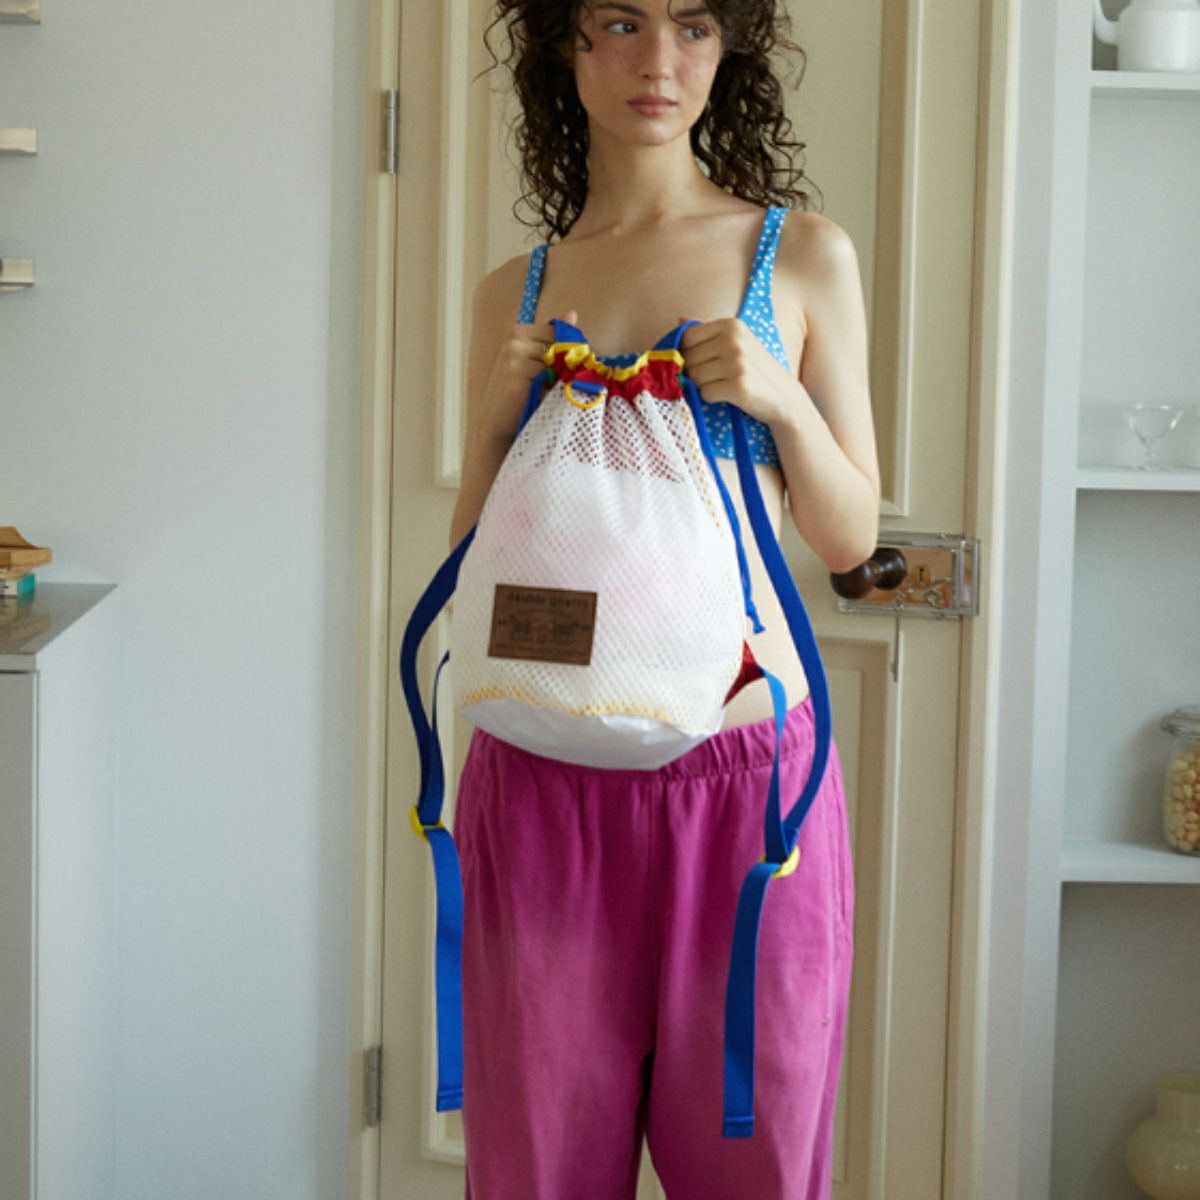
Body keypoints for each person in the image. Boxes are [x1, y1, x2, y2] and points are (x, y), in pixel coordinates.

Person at [447, 2, 880, 1196]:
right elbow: (477, 556)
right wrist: (493, 418)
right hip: (539, 787)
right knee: (537, 1171)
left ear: (726, 48)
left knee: (756, 1165)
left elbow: (849, 535)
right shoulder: (515, 290)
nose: (659, 61)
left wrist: (780, 400)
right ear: (566, 44)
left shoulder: (800, 257)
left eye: (692, 26)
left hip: (748, 791)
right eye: (622, 22)